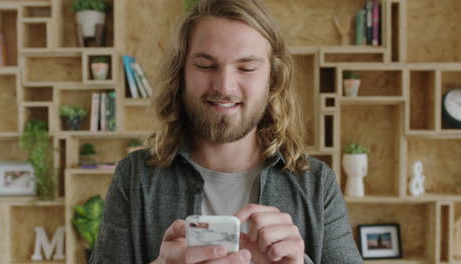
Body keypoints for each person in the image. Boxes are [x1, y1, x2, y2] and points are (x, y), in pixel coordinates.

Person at [89, 0, 363, 263]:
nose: (224, 87)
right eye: (206, 65)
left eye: (246, 67)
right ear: (181, 73)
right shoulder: (134, 178)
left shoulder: (316, 185)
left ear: (273, 79)